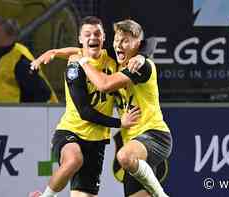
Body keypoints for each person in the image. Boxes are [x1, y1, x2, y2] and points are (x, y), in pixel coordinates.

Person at [29, 16, 140, 197]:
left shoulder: (112, 58)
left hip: (96, 143)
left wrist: (140, 58)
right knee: (74, 160)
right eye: (87, 34)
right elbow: (85, 112)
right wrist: (120, 122)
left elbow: (142, 46)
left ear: (104, 37)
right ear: (80, 39)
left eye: (97, 33)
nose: (92, 37)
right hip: (71, 132)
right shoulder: (74, 66)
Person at [72, 19, 172, 197]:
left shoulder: (141, 66)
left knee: (124, 156)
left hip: (155, 136)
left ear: (138, 45)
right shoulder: (117, 62)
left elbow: (104, 84)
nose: (119, 44)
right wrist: (54, 52)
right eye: (117, 39)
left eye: (125, 40)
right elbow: (82, 51)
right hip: (134, 145)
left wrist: (84, 62)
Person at [0, 17, 58, 103]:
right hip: (0, 111)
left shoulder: (21, 60)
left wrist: (25, 113)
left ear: (10, 36)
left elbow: (42, 93)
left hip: (17, 112)